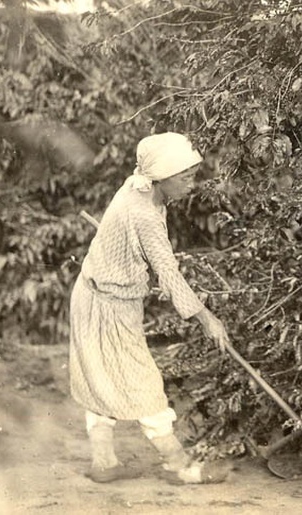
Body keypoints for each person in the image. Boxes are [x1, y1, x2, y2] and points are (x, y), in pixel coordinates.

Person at [69, 132, 232, 485]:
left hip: (105, 295)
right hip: (103, 303)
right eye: (185, 177)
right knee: (142, 384)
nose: (192, 184)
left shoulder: (139, 187)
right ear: (162, 177)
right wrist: (207, 318)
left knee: (101, 375)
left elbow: (142, 254)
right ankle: (179, 466)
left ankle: (104, 463)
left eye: (193, 175)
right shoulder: (142, 210)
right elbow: (169, 273)